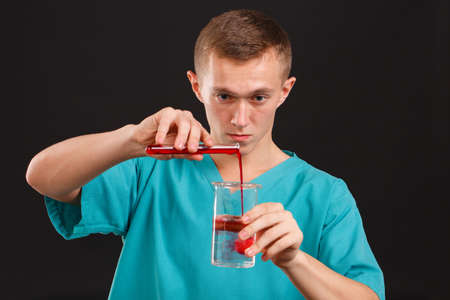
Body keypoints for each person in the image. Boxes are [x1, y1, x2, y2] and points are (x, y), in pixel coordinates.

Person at [26, 9, 384, 300]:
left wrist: (294, 260)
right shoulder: (154, 166)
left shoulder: (325, 195)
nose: (240, 120)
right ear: (197, 86)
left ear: (284, 91)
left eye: (258, 97)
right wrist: (132, 139)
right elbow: (41, 177)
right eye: (224, 96)